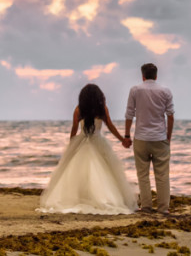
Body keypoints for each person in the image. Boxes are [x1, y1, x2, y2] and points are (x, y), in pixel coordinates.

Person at [38, 83, 137, 214]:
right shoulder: (102, 109)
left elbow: (74, 130)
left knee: (78, 173)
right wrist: (122, 140)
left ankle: (81, 198)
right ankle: (102, 198)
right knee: (104, 173)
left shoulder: (79, 109)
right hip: (98, 142)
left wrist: (71, 147)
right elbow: (111, 127)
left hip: (82, 143)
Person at [124, 62, 174, 214]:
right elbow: (170, 116)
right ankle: (163, 208)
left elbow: (129, 114)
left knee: (143, 174)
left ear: (143, 75)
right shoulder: (165, 91)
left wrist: (127, 135)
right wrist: (168, 137)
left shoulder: (135, 90)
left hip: (141, 137)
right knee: (162, 175)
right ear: (156, 75)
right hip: (160, 137)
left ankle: (146, 206)